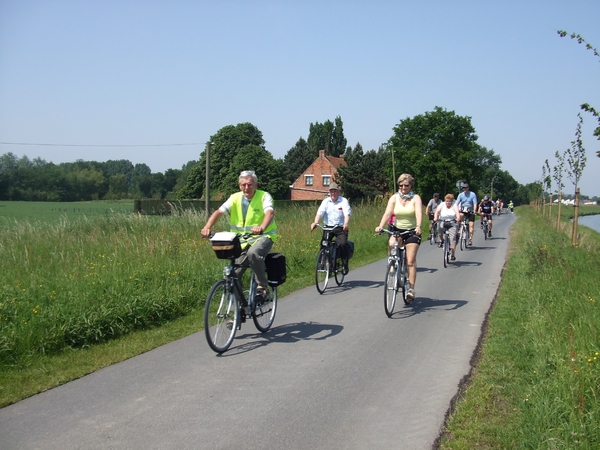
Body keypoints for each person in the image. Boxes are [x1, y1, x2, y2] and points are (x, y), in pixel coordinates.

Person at [201, 170, 277, 304]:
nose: (246, 188)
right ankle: (239, 309)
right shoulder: (235, 197)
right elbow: (219, 212)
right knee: (233, 276)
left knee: (254, 253)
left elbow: (269, 213)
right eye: (243, 185)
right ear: (239, 185)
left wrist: (261, 228)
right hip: (242, 240)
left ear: (256, 185)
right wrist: (207, 227)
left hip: (263, 237)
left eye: (250, 184)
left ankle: (262, 286)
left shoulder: (264, 196)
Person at [375, 173, 423, 301]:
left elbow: (418, 213)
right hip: (397, 230)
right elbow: (388, 213)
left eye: (406, 185)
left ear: (411, 185)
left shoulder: (416, 198)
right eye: (401, 185)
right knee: (391, 244)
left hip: (412, 231)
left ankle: (411, 289)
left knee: (410, 260)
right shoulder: (394, 198)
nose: (403, 188)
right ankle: (392, 264)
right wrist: (380, 225)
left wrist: (418, 226)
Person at [311, 183, 352, 274]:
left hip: (340, 227)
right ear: (329, 192)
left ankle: (345, 264)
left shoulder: (343, 201)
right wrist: (315, 222)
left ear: (338, 191)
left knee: (341, 244)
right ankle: (325, 264)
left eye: (335, 191)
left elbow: (347, 214)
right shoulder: (326, 201)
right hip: (328, 227)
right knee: (324, 244)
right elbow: (320, 213)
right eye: (331, 191)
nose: (333, 193)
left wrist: (345, 224)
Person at [434, 193, 460, 260]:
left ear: (452, 201)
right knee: (439, 229)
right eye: (447, 201)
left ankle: (453, 254)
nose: (448, 203)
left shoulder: (454, 205)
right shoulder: (442, 204)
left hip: (452, 222)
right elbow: (437, 211)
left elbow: (457, 213)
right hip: (443, 221)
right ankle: (442, 240)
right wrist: (435, 217)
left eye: (449, 201)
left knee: (452, 238)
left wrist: (458, 218)